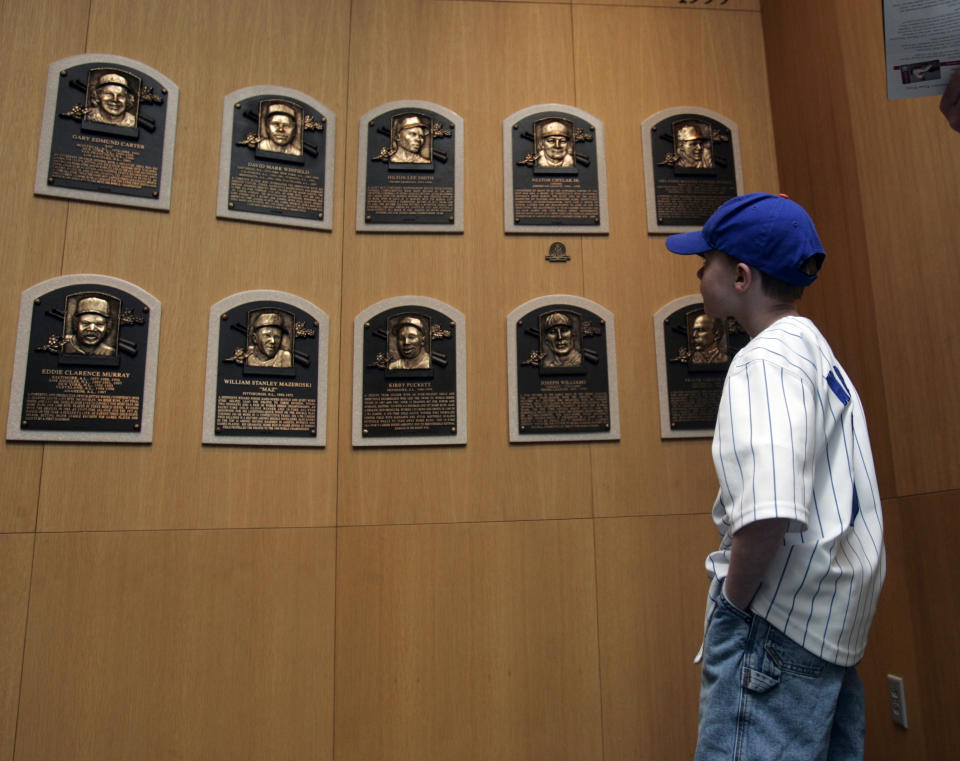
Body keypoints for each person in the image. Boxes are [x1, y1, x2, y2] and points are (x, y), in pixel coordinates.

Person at [664, 193, 885, 761]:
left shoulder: (765, 358)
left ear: (740, 276)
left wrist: (732, 611)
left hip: (774, 629)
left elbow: (769, 509)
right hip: (826, 631)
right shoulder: (814, 349)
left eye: (706, 259)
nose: (697, 269)